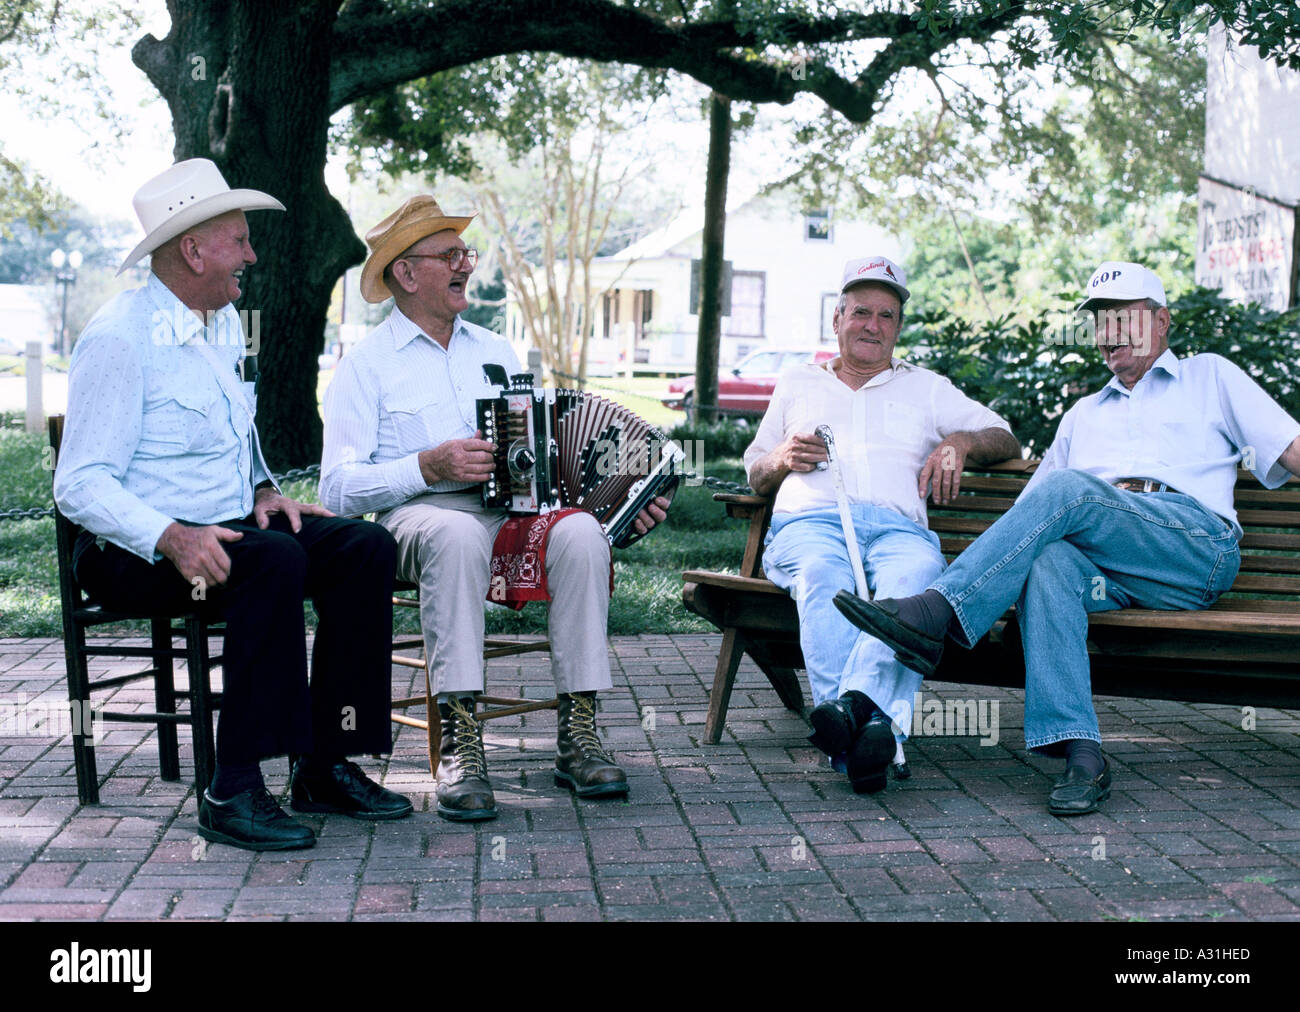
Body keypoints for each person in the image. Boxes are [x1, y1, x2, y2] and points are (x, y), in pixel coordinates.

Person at [834, 260, 1300, 815]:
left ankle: (936, 615)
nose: (1109, 333)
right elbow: (1032, 516)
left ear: (1162, 322)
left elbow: (1291, 449)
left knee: (1071, 490)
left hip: (1193, 550)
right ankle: (1082, 752)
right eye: (1101, 322)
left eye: (1125, 318)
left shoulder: (1211, 377)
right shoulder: (1083, 414)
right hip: (1113, 572)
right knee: (1050, 561)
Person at [54, 159, 411, 853]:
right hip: (131, 552)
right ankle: (233, 790)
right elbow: (80, 483)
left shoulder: (221, 325)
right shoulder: (119, 338)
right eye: (240, 241)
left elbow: (229, 438)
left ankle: (325, 763)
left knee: (362, 547)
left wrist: (263, 490)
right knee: (271, 562)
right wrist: (171, 536)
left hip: (229, 528)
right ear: (193, 250)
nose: (251, 255)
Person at [320, 195, 668, 823]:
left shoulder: (497, 350)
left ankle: (579, 734)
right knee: (455, 535)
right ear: (406, 273)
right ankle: (461, 741)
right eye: (449, 254)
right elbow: (336, 489)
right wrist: (427, 466)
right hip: (415, 516)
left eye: (466, 253)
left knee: (581, 534)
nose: (466, 265)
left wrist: (621, 501)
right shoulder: (365, 366)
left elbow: (537, 460)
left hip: (505, 513)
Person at [743, 256, 1020, 794]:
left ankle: (848, 721)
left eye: (886, 316)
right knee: (823, 576)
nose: (873, 325)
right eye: (861, 312)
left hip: (899, 532)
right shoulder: (798, 383)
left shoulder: (927, 387)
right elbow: (755, 472)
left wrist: (960, 441)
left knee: (915, 581)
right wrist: (781, 458)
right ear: (837, 320)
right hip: (812, 525)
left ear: (898, 327)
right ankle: (876, 734)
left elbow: (1004, 436)